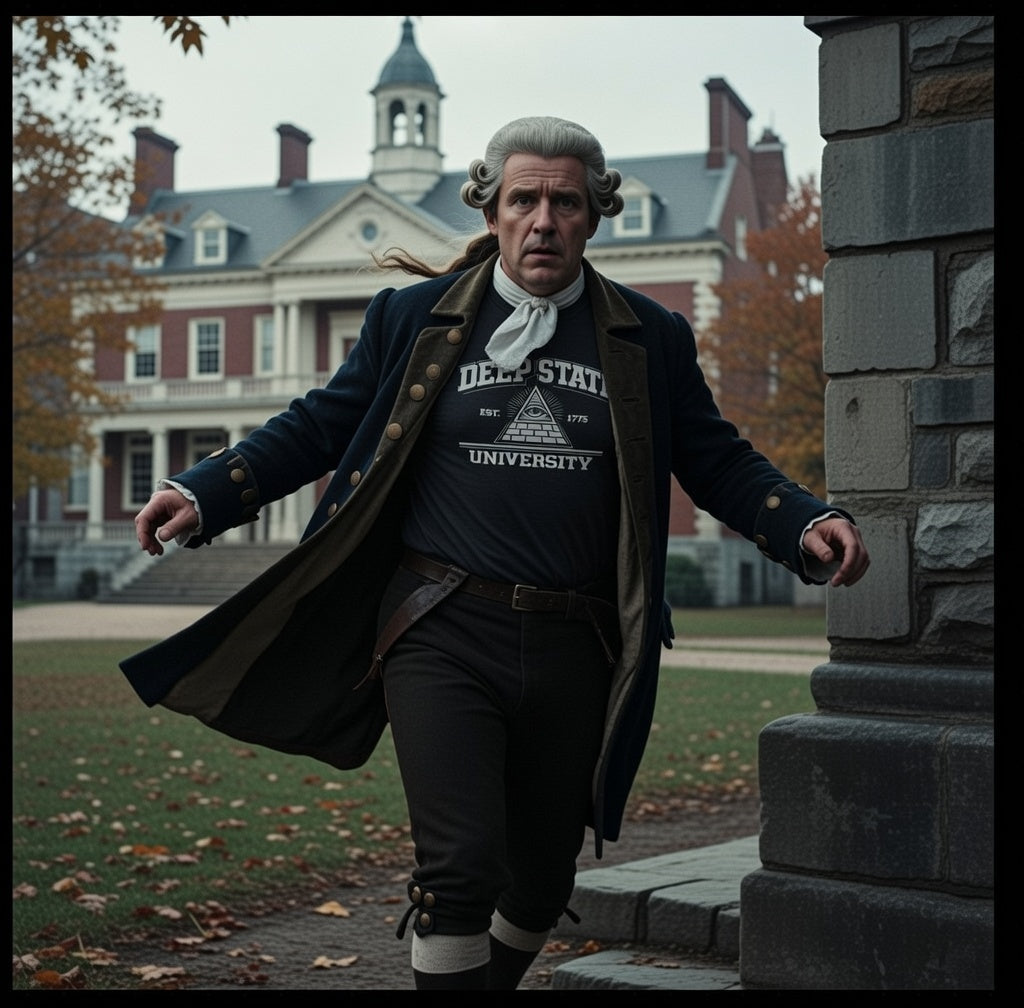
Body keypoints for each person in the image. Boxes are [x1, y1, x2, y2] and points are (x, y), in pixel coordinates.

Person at [123, 116, 869, 990]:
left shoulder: (649, 336)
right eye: (524, 201)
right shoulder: (415, 318)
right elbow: (321, 423)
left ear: (595, 216)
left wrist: (800, 520)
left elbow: (715, 459)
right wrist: (206, 490)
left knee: (543, 879)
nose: (543, 220)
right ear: (492, 211)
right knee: (460, 871)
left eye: (565, 202)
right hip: (440, 627)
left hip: (579, 641)